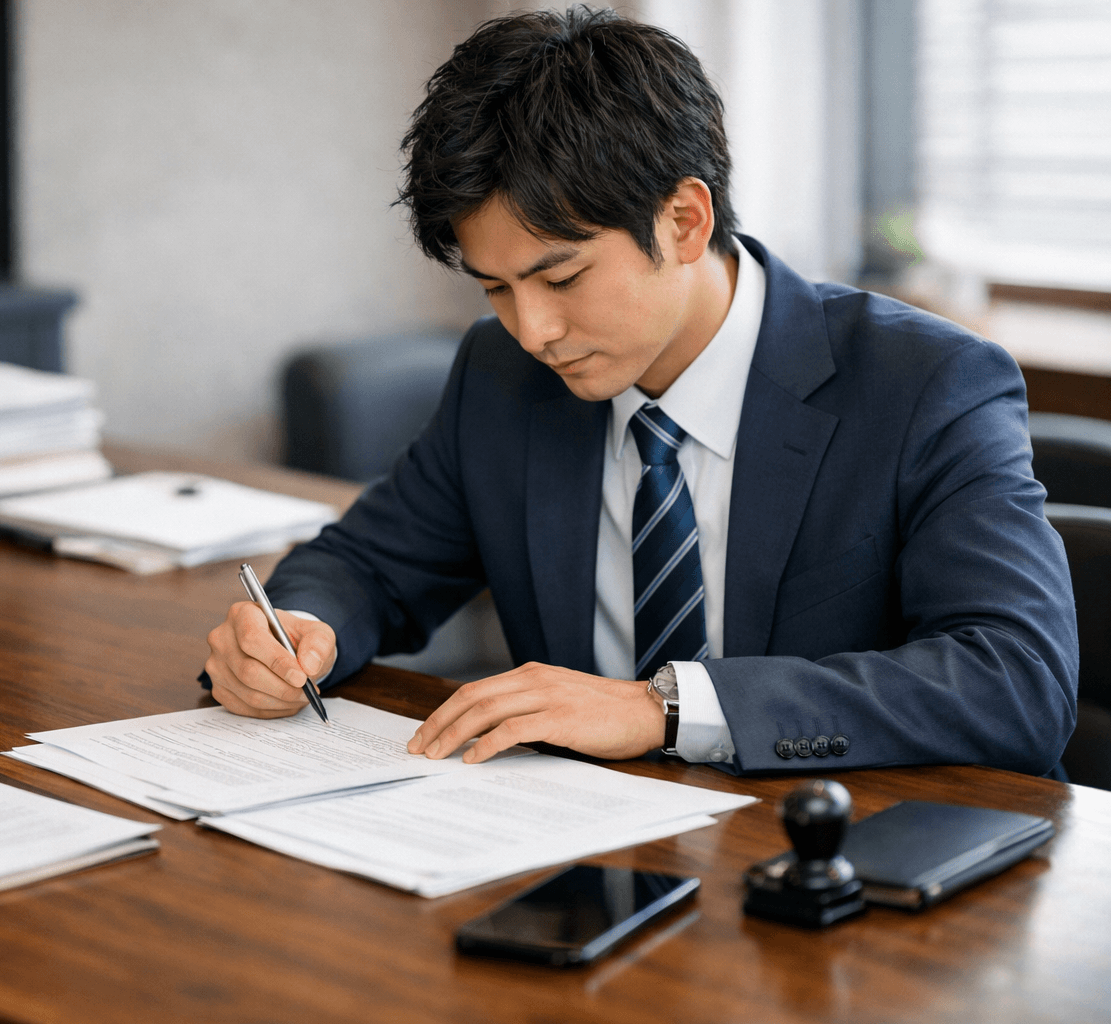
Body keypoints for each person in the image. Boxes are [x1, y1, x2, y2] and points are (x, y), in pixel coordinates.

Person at [202, 6, 1078, 777]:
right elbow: (366, 565)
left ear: (685, 221)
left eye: (562, 276)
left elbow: (1016, 682)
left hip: (834, 884)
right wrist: (295, 631)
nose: (532, 330)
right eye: (495, 288)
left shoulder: (925, 384)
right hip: (581, 868)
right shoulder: (501, 377)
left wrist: (664, 708)